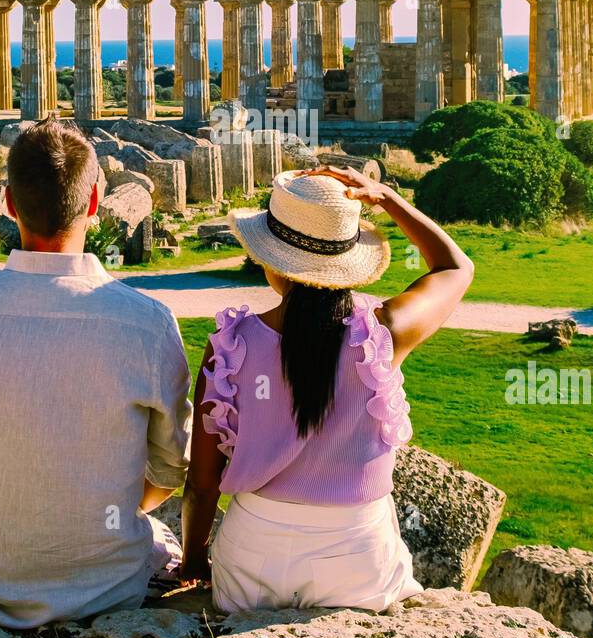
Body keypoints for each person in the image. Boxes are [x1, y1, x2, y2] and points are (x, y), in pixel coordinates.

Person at [0, 117, 191, 628]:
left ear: (9, 203)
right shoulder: (148, 324)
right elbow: (172, 467)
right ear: (94, 202)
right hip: (108, 587)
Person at [179, 166, 474, 612]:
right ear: (349, 258)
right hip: (358, 557)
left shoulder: (231, 345)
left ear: (271, 263)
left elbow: (202, 485)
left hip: (253, 558)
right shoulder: (383, 333)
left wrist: (195, 563)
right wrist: (386, 198)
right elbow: (455, 266)